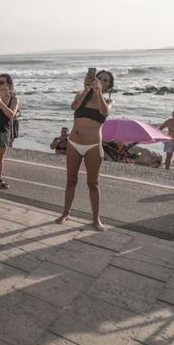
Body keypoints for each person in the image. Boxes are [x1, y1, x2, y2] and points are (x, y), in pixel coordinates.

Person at [56, 70, 114, 231]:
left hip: (93, 146)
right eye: (99, 79)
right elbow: (73, 106)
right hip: (74, 143)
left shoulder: (108, 100)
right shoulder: (80, 95)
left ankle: (96, 219)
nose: (101, 81)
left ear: (109, 85)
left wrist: (98, 92)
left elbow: (104, 111)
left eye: (105, 80)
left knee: (93, 183)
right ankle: (66, 212)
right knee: (71, 180)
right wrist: (87, 90)